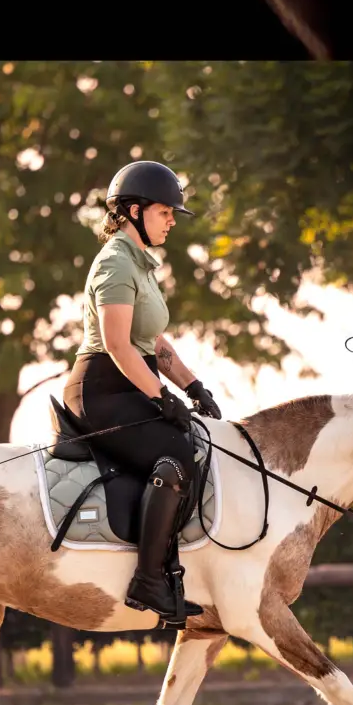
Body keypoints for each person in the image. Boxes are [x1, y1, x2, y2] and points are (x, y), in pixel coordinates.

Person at [61, 159, 224, 627]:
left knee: (194, 442)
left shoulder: (141, 265)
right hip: (102, 390)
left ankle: (170, 569)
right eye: (165, 212)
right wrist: (160, 398)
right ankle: (149, 580)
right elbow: (115, 345)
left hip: (129, 381)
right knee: (176, 454)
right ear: (133, 211)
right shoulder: (114, 262)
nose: (173, 220)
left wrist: (192, 386)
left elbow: (151, 342)